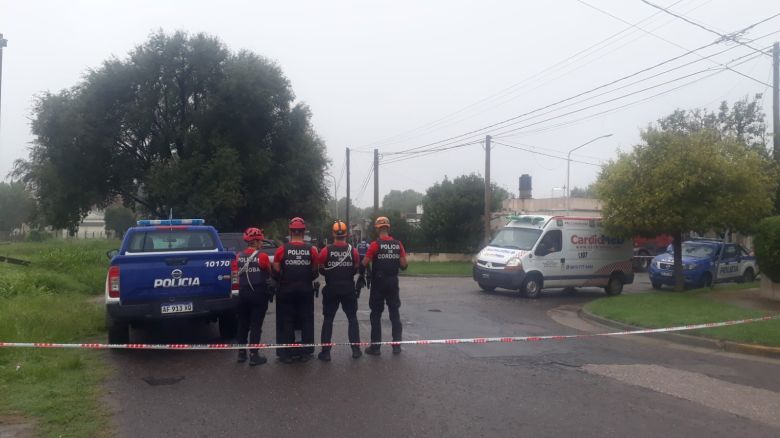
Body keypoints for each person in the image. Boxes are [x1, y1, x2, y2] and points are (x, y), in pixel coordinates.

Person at [273, 217, 319, 363]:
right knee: (306, 320)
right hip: (305, 290)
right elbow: (315, 271)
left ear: (290, 231)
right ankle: (306, 352)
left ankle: (286, 353)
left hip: (286, 290)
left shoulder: (281, 250)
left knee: (286, 320)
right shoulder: (312, 250)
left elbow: (276, 270)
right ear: (304, 231)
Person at [316, 220, 363, 361]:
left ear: (333, 234)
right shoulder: (353, 251)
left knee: (328, 319)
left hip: (331, 289)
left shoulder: (326, 251)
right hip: (348, 288)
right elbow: (356, 267)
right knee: (352, 318)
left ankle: (325, 352)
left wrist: (331, 274)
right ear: (346, 235)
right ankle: (356, 350)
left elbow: (320, 267)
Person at [361, 216, 408, 355]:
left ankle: (375, 348)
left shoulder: (375, 245)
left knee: (375, 315)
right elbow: (404, 265)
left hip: (378, 283)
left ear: (377, 228)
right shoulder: (398, 244)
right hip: (393, 282)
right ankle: (396, 346)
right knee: (394, 313)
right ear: (388, 228)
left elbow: (364, 262)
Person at [235, 227, 274, 366]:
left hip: (243, 294)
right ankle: (254, 355)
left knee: (242, 324)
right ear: (256, 241)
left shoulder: (238, 256)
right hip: (258, 294)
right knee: (256, 325)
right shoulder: (262, 256)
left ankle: (241, 354)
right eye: (261, 241)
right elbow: (268, 273)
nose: (262, 243)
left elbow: (236, 273)